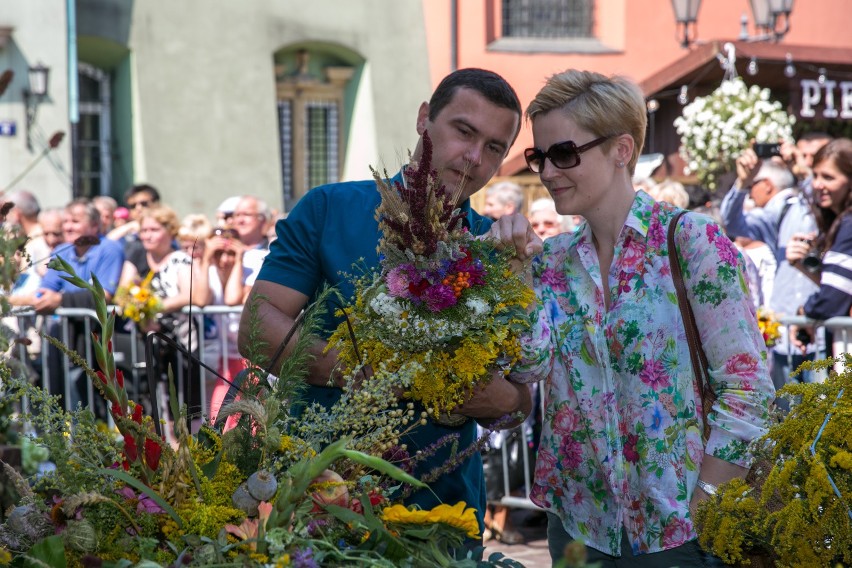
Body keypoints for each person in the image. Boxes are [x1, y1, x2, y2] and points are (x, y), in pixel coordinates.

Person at [239, 68, 533, 539]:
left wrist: (506, 400)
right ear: (424, 118)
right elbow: (256, 326)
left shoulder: (492, 247)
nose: (475, 157)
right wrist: (370, 373)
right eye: (464, 131)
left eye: (495, 147)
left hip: (443, 503)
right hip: (318, 487)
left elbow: (520, 395)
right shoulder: (329, 208)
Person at [501, 69, 774, 566]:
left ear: (621, 150)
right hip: (580, 525)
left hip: (679, 531)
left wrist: (707, 502)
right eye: (539, 157)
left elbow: (748, 386)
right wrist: (515, 278)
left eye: (564, 154)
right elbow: (527, 367)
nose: (547, 172)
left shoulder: (691, 241)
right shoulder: (552, 261)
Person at [720, 148, 820, 396]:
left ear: (766, 185)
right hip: (785, 334)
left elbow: (823, 199)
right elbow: (731, 223)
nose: (751, 193)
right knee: (791, 418)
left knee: (823, 419)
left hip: (821, 330)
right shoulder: (775, 213)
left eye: (753, 184)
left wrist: (803, 171)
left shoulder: (804, 204)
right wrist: (742, 182)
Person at [785, 138, 852, 352]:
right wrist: (802, 264)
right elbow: (841, 288)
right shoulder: (841, 221)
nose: (817, 184)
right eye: (815, 175)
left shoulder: (849, 222)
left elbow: (832, 301)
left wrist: (806, 312)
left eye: (828, 177)